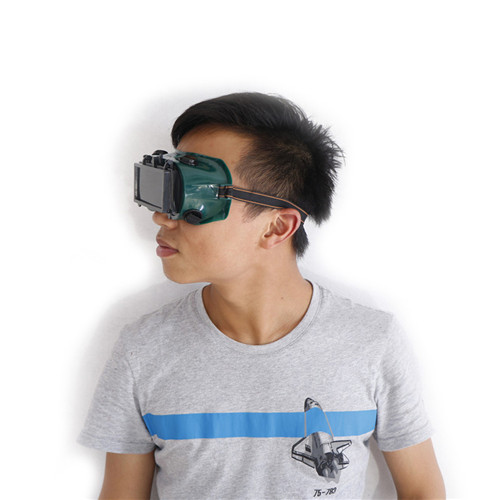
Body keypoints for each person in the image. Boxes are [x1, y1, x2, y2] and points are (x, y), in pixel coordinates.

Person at [79, 92, 445, 499]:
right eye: (167, 188)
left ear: (277, 227)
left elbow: (423, 490)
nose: (161, 216)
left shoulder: (371, 342)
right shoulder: (142, 350)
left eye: (192, 194)